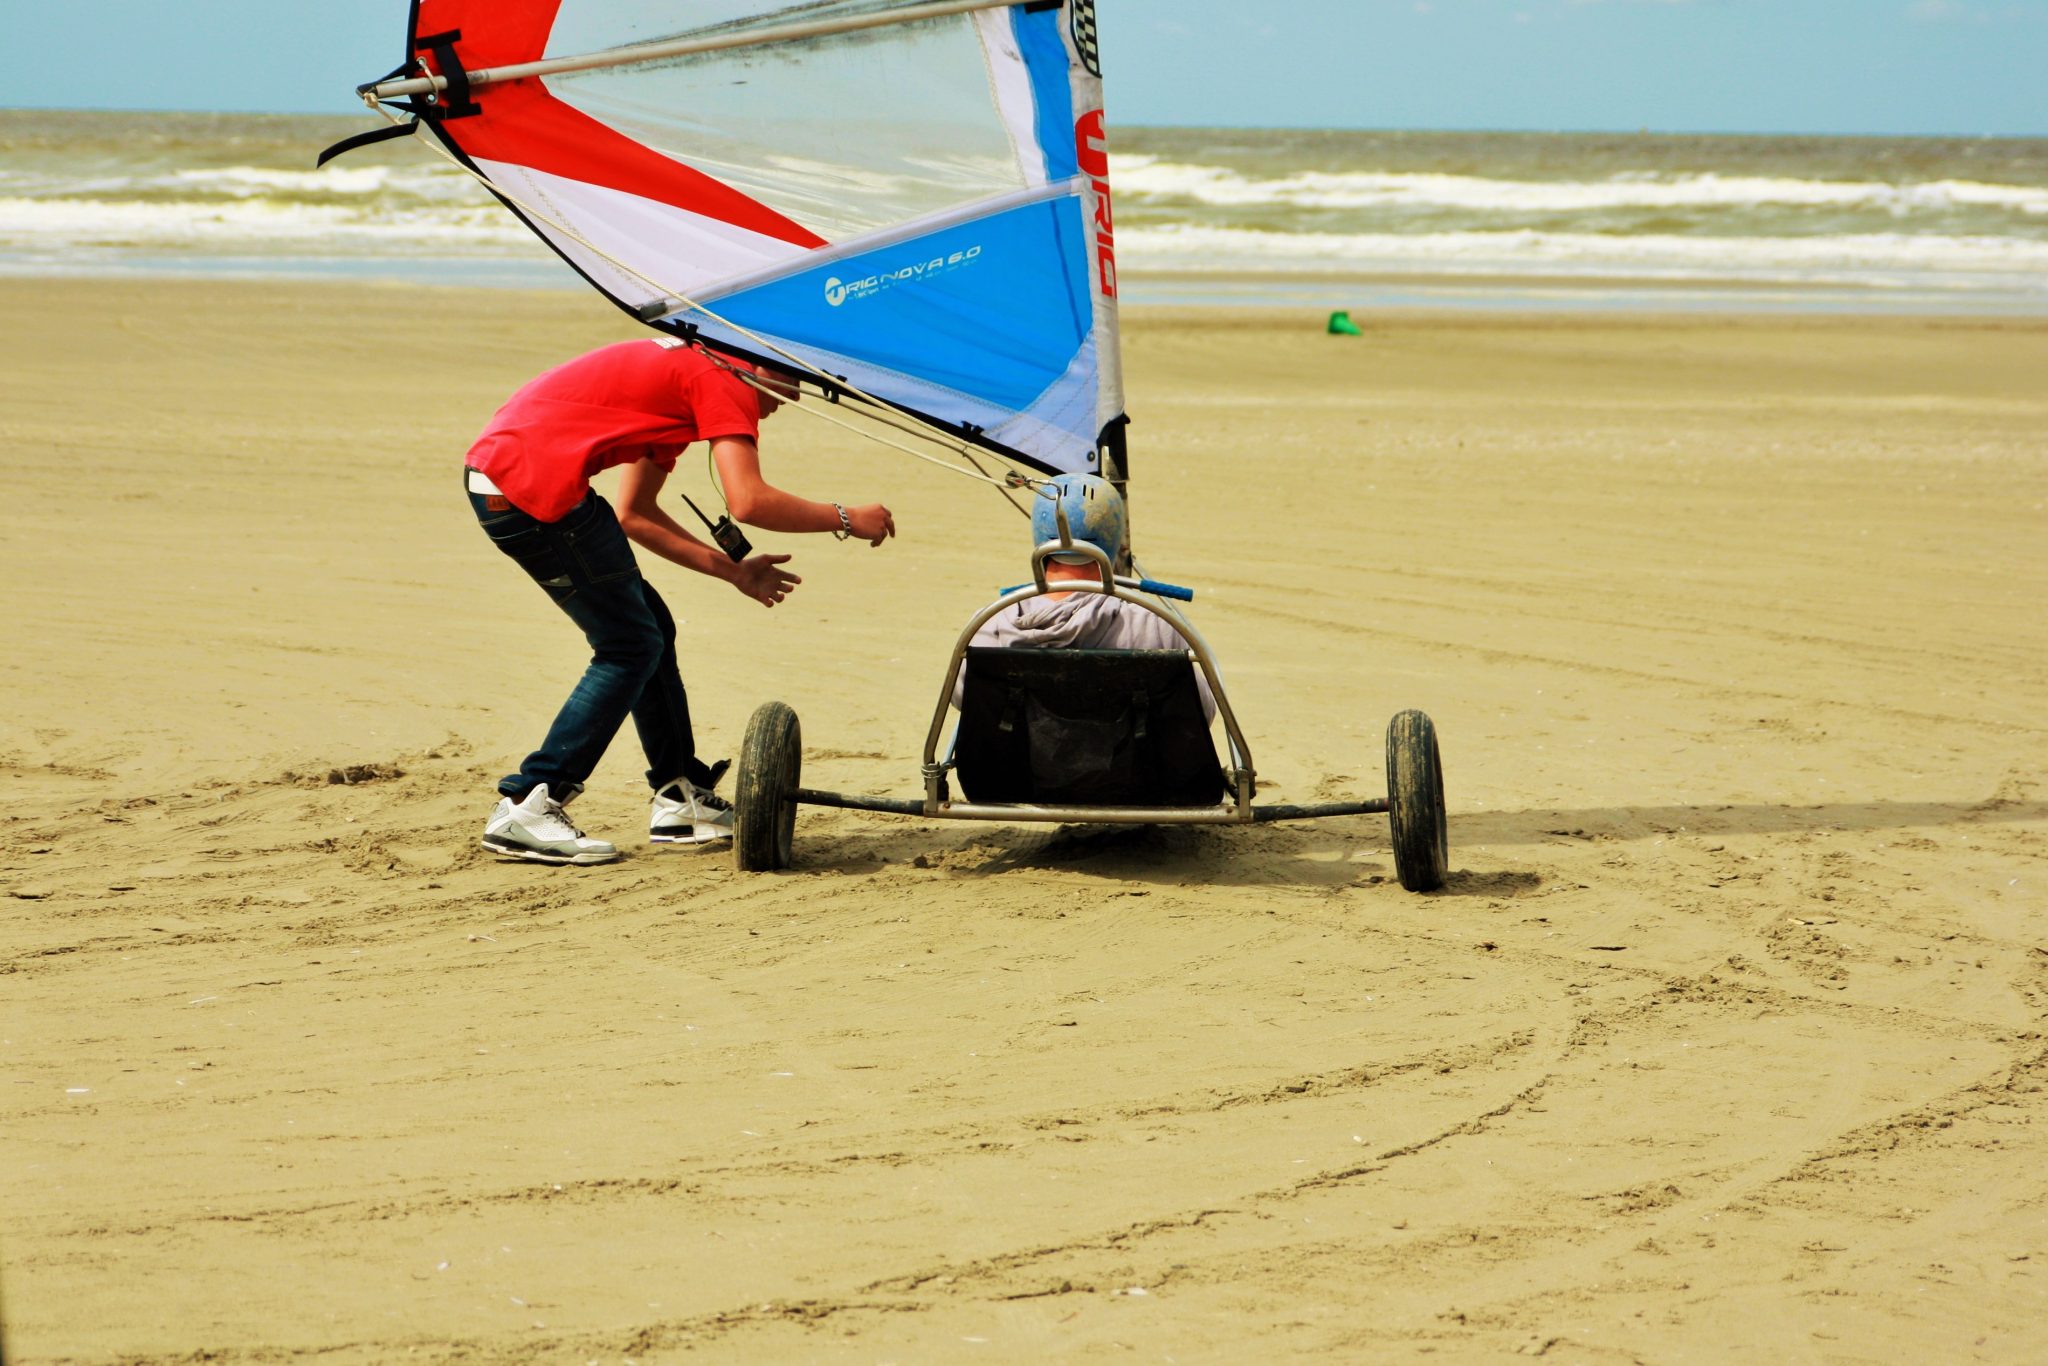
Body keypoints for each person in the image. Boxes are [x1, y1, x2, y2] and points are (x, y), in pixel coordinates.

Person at [464, 335, 896, 865]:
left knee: (651, 628)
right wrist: (846, 518)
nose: (794, 398)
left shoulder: (690, 375)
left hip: (522, 482)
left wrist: (735, 572)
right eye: (793, 379)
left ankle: (678, 796)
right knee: (628, 644)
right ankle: (531, 800)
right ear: (761, 362)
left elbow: (635, 513)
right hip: (522, 489)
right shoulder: (724, 377)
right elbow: (749, 501)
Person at [952, 474, 1214, 721]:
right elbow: (1202, 713)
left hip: (1015, 767)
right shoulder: (1152, 623)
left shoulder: (990, 622)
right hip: (1126, 768)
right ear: (1113, 539)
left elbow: (964, 698)